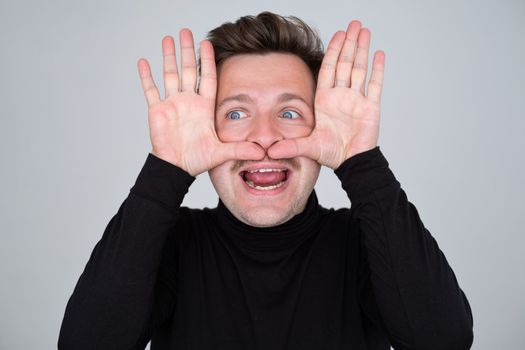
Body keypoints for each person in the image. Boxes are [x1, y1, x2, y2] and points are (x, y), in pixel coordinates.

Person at [58, 11, 474, 350]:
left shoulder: (364, 241)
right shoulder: (173, 243)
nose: (264, 136)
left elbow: (443, 340)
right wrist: (166, 169)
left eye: (290, 112)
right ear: (208, 130)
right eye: (236, 114)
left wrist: (361, 162)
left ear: (321, 129)